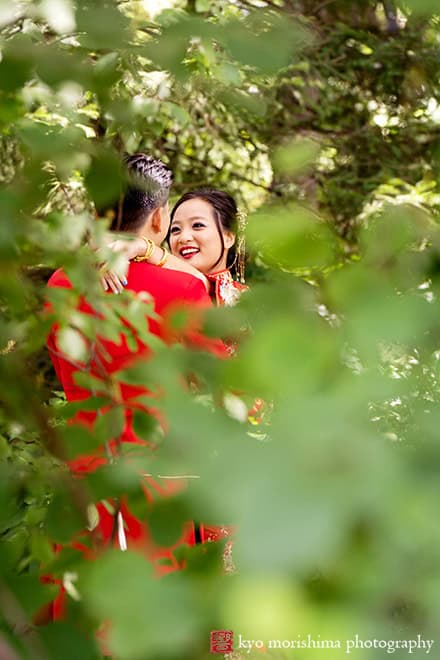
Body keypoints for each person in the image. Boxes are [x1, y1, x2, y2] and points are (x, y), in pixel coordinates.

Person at [45, 154, 227, 619]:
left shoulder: (63, 283)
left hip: (87, 471)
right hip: (161, 477)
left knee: (88, 617)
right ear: (161, 217)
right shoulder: (186, 288)